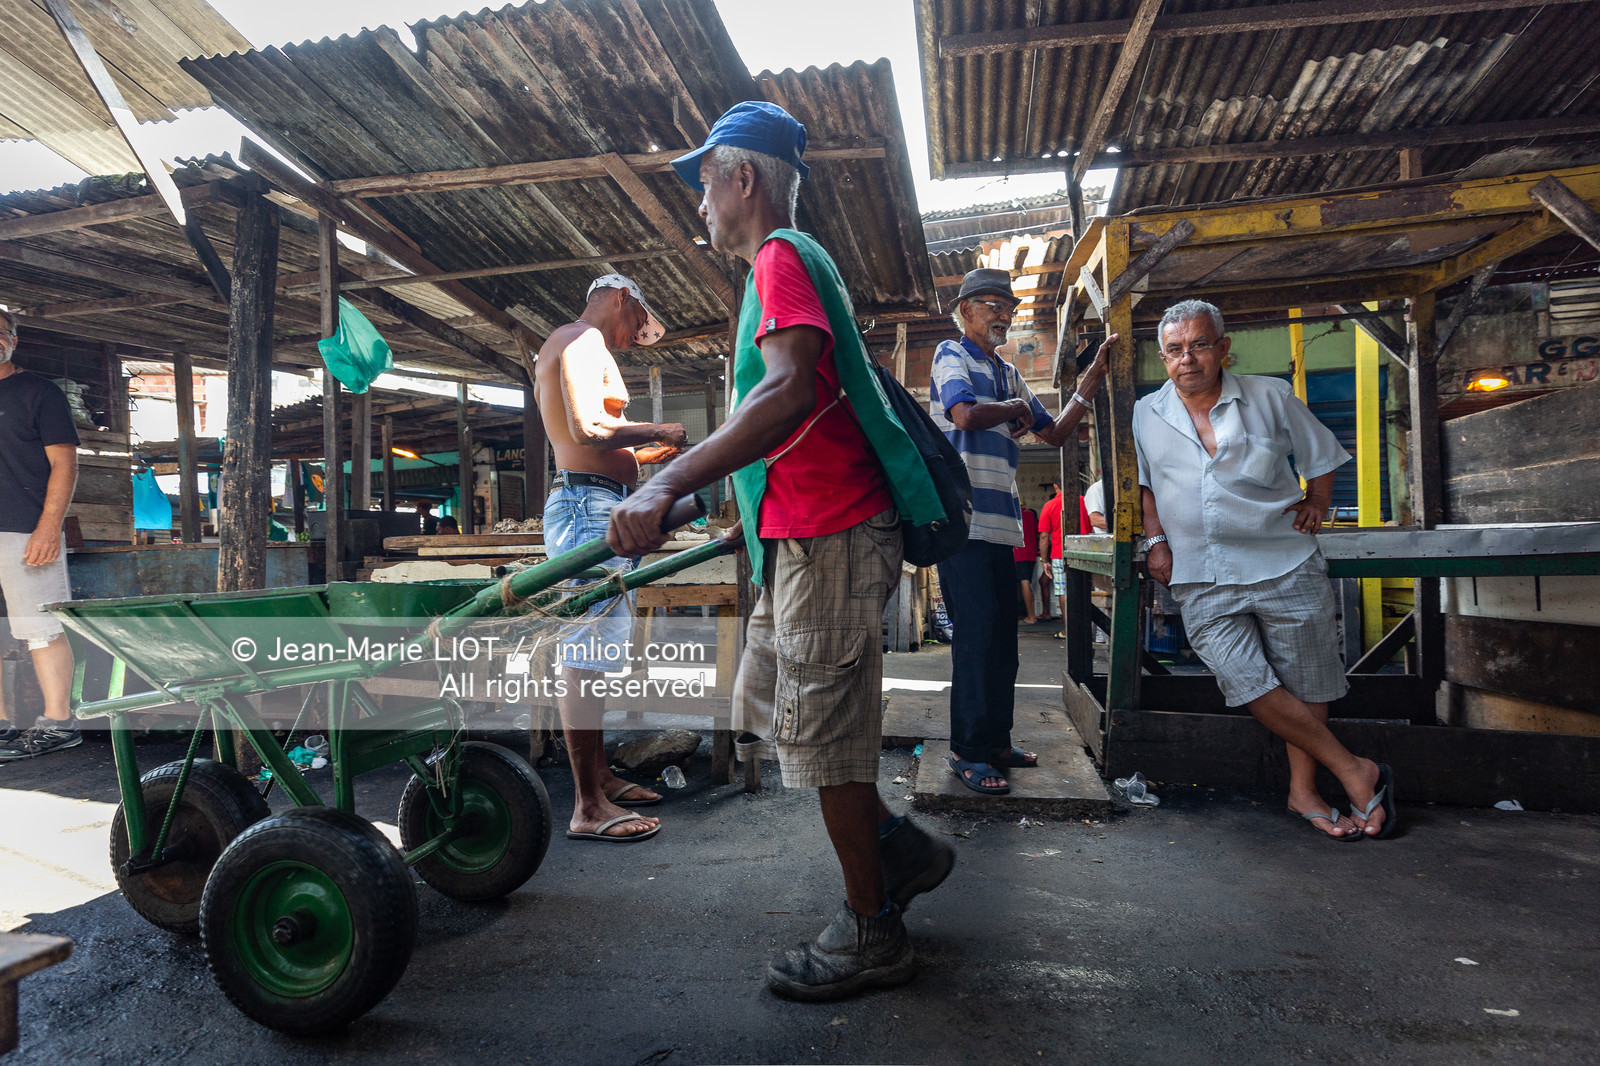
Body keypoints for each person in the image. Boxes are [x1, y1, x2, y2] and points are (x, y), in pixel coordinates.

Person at [606, 100, 956, 1001]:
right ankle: (896, 850)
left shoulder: (783, 256)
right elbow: (803, 416)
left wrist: (665, 481)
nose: (700, 206)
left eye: (705, 184)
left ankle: (873, 930)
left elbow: (791, 391)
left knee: (827, 739)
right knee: (775, 701)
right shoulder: (785, 266)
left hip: (833, 533)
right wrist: (740, 515)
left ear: (744, 178)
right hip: (799, 529)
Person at [1135, 299, 1395, 840]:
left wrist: (1318, 503)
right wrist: (1156, 540)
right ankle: (1354, 769)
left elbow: (1321, 456)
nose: (1188, 358)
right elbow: (1144, 486)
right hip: (1200, 572)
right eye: (1176, 350)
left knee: (1306, 679)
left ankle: (1304, 792)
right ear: (1163, 358)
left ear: (1223, 349)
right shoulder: (1145, 413)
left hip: (1283, 559)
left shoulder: (1270, 396)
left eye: (1200, 345)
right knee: (1244, 678)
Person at [930, 270, 1111, 794]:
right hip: (963, 523)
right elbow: (963, 414)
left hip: (1003, 525)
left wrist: (1087, 387)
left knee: (1003, 645)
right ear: (964, 309)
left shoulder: (1009, 372)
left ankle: (997, 740)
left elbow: (1051, 431)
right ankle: (967, 751)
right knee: (976, 640)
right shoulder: (952, 354)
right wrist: (1012, 410)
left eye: (1007, 306)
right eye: (990, 303)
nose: (1001, 314)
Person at [533, 273, 687, 844]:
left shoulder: (581, 343)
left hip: (596, 500)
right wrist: (662, 427)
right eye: (635, 327)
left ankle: (599, 775)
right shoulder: (579, 338)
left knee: (597, 647)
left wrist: (645, 452)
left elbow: (598, 441)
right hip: (583, 505)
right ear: (622, 297)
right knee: (584, 647)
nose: (630, 340)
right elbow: (587, 426)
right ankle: (587, 807)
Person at [0, 308, 82, 762]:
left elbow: (65, 464)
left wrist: (49, 527)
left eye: (1, 332)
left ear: (13, 339)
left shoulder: (39, 392)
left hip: (25, 532)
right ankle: (4, 727)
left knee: (40, 629)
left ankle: (58, 722)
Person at [1036, 482, 1065, 634]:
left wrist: (1044, 560)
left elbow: (1044, 536)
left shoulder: (1050, 505)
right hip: (1084, 552)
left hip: (1059, 554)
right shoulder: (1084, 501)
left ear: (1055, 486)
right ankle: (1084, 629)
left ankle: (1068, 631)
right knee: (1082, 590)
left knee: (1063, 592)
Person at [1015, 504, 1039, 623]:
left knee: (1024, 583)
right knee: (1028, 583)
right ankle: (1031, 614)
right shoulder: (1030, 515)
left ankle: (1031, 616)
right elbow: (1037, 532)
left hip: (1019, 553)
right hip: (1031, 554)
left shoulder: (1014, 515)